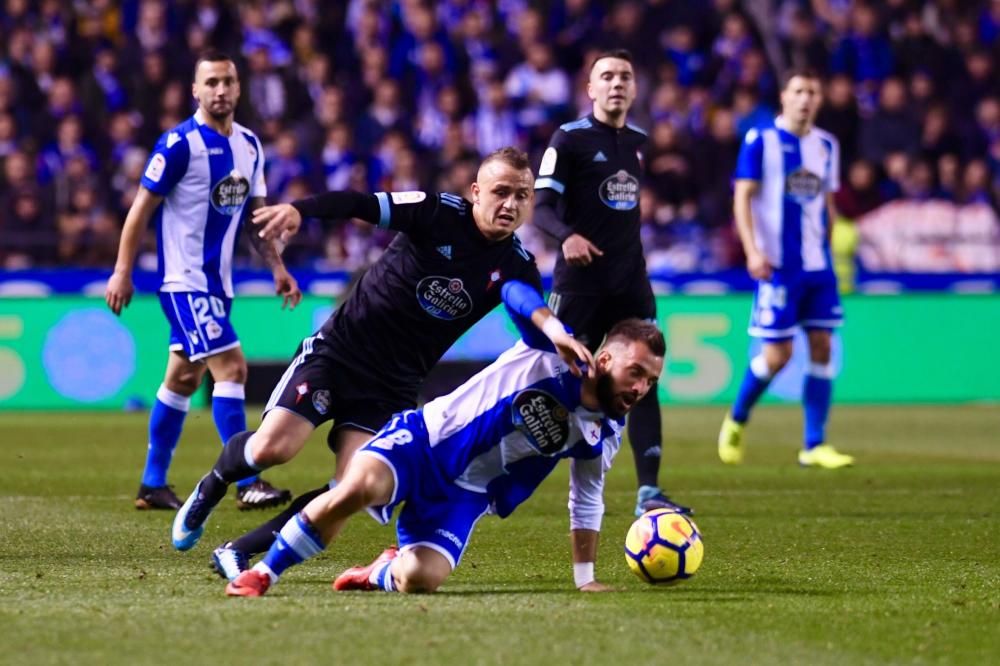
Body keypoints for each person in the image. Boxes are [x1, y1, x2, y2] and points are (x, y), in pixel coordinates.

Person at [172, 148, 564, 574]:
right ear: (475, 192)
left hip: (392, 386)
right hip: (340, 353)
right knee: (272, 448)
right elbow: (360, 203)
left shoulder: (518, 268)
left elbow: (535, 328)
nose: (510, 204)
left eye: (522, 196)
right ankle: (210, 487)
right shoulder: (436, 212)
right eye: (500, 192)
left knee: (350, 490)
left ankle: (238, 551)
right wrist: (300, 212)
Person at [224, 317, 665, 597]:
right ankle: (264, 574)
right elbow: (514, 292)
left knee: (421, 580)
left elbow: (586, 498)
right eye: (636, 373)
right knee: (357, 488)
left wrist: (584, 577)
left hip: (466, 495)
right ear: (605, 359)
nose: (641, 388)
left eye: (650, 381)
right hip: (425, 442)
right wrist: (552, 327)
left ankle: (382, 571)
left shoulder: (605, 430)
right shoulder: (546, 357)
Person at [105, 51, 301, 511]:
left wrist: (277, 268)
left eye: (227, 82)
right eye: (210, 82)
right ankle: (247, 481)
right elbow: (139, 212)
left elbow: (256, 220)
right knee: (232, 369)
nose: (220, 90)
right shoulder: (178, 145)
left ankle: (153, 484)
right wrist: (122, 270)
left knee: (182, 379)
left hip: (219, 285)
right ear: (195, 90)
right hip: (184, 281)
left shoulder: (250, 146)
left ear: (238, 88)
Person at [532, 48, 690, 516]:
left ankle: (649, 491)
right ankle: (508, 464)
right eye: (607, 76)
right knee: (552, 377)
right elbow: (540, 207)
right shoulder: (569, 139)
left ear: (634, 88)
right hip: (580, 283)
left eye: (625, 75)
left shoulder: (637, 141)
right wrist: (567, 236)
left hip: (630, 283)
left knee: (644, 378)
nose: (616, 83)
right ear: (591, 88)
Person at [718, 68, 854, 469]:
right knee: (777, 356)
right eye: (799, 91)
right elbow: (742, 198)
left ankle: (815, 444)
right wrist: (752, 250)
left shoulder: (827, 145)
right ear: (784, 96)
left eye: (813, 91)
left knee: (822, 346)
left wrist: (829, 245)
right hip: (777, 266)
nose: (806, 98)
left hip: (818, 267)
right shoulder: (761, 140)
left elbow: (825, 204)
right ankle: (737, 419)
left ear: (820, 99)